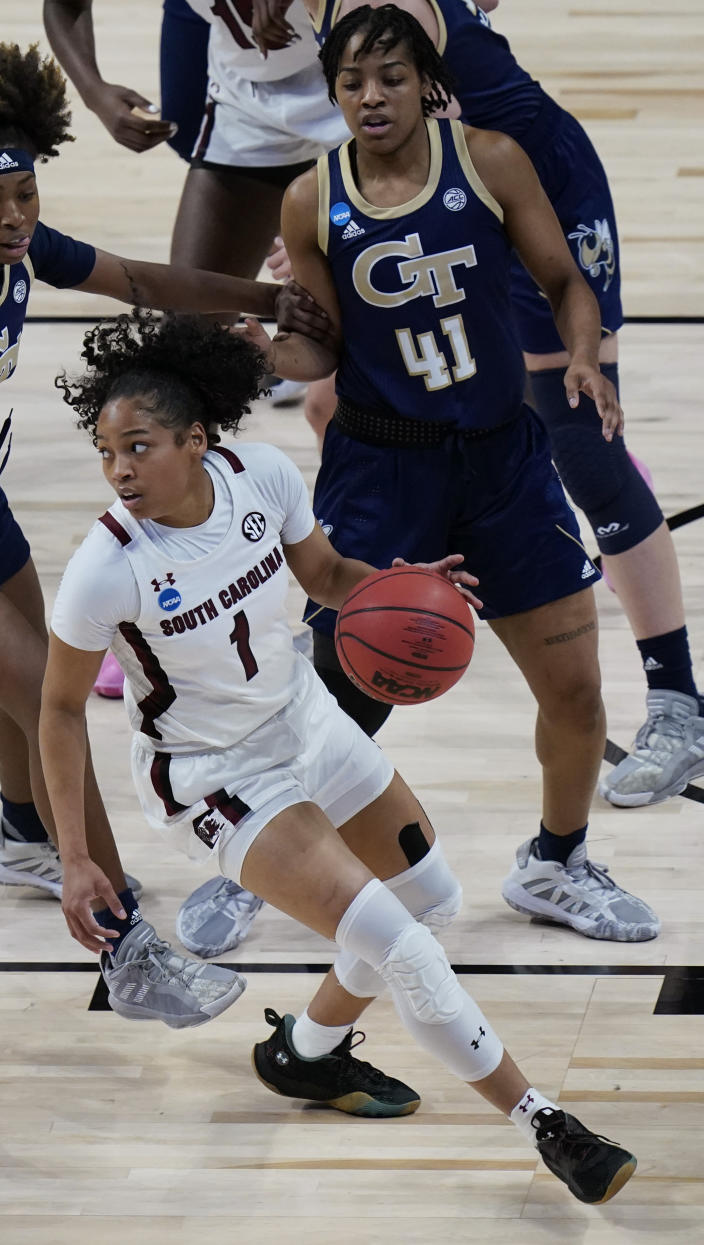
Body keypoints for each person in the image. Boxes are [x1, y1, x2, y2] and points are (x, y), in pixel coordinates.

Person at [41, 308, 637, 1205]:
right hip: (216, 777)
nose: (119, 469)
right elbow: (54, 706)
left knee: (429, 898)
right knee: (402, 945)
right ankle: (545, 1120)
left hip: (305, 717)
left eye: (140, 445)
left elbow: (324, 577)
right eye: (107, 451)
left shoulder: (263, 477)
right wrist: (78, 856)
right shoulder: (107, 566)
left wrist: (406, 585)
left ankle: (305, 1054)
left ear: (197, 440)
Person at [0, 42, 325, 1028]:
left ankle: (22, 831)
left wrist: (259, 298)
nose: (14, 218)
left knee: (25, 686)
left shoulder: (26, 247)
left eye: (26, 196)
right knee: (46, 690)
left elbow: (133, 277)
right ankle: (127, 950)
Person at [236, 6, 661, 942]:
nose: (370, 97)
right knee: (336, 694)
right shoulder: (311, 198)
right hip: (381, 466)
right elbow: (321, 352)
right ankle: (259, 861)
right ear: (331, 93)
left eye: (389, 77)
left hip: (503, 460)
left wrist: (583, 354)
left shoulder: (491, 160)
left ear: (425, 81)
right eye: (351, 83)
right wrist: (268, 352)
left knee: (578, 690)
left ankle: (558, 860)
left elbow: (563, 282)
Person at [43, 0, 352, 958]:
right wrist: (93, 93)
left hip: (359, 92)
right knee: (183, 345)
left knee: (361, 349)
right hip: (249, 103)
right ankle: (163, 589)